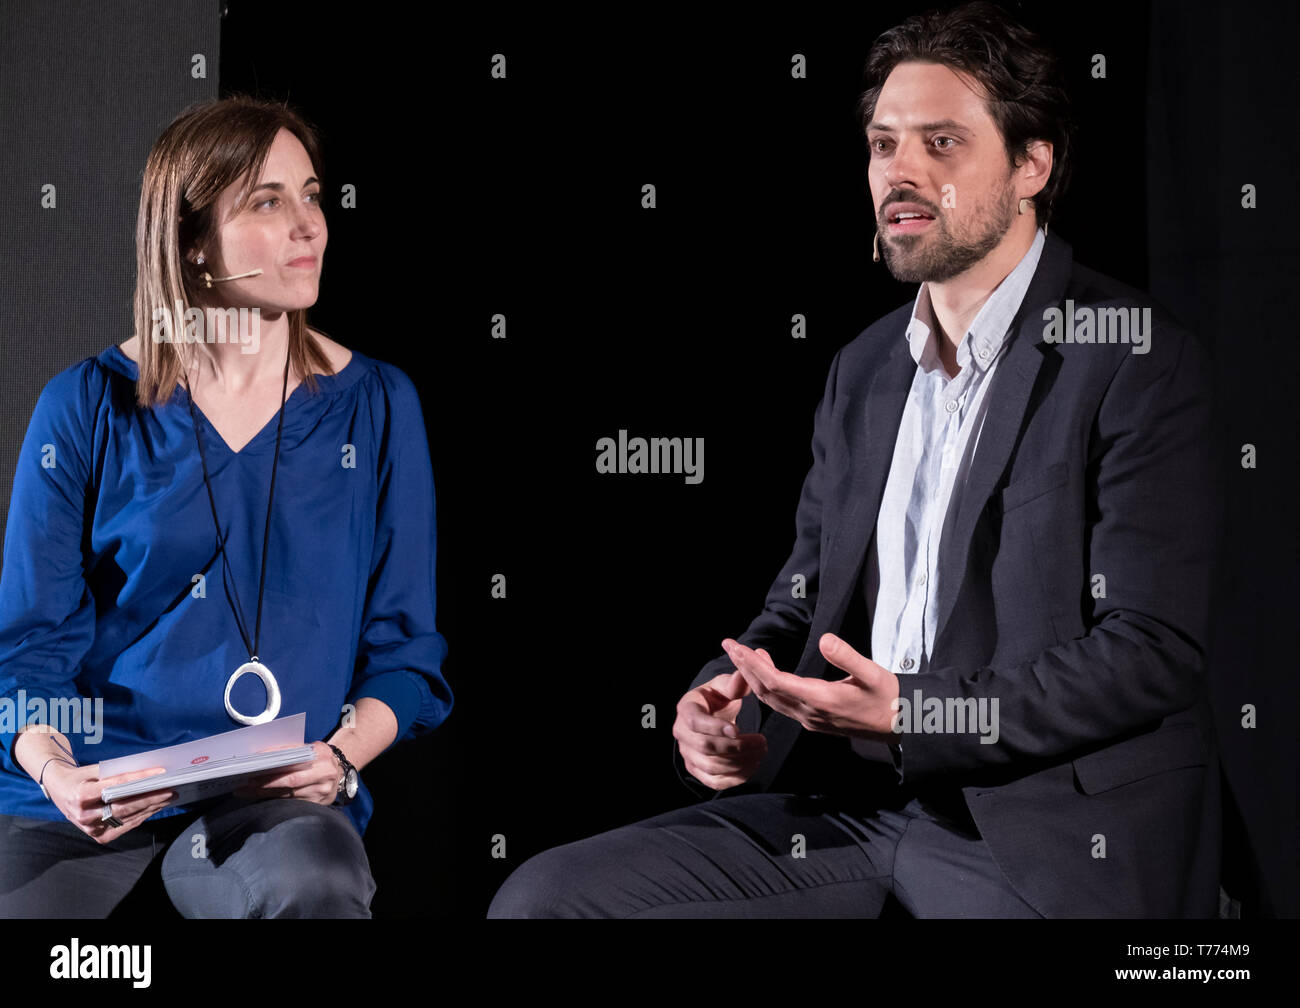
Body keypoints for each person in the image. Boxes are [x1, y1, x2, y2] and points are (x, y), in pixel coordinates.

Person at [488, 1, 1222, 918]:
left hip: (1042, 836)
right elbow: (800, 604)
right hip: (855, 812)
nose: (900, 174)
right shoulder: (866, 368)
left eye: (942, 144)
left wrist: (919, 714)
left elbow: (1149, 653)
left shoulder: (1131, 353)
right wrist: (734, 701)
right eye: (883, 145)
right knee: (548, 898)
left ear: (1032, 165)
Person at [0, 96, 453, 918]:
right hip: (95, 795)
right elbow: (28, 657)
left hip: (273, 799)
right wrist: (58, 773)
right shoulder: (86, 405)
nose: (310, 226)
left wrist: (341, 760)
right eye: (268, 202)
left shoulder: (379, 405)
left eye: (312, 194)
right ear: (191, 242)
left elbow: (405, 654)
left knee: (314, 881)